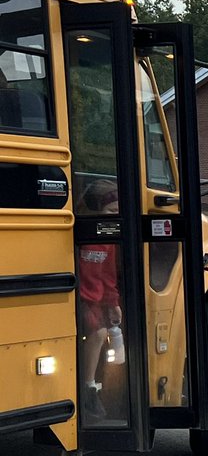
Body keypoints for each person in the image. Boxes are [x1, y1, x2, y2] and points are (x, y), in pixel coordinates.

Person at [77, 179, 123, 421]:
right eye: (109, 211)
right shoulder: (81, 235)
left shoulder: (108, 238)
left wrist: (113, 303)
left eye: (117, 212)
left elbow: (107, 276)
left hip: (94, 299)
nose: (114, 217)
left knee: (103, 333)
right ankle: (87, 386)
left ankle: (92, 382)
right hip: (79, 297)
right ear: (94, 211)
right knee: (96, 333)